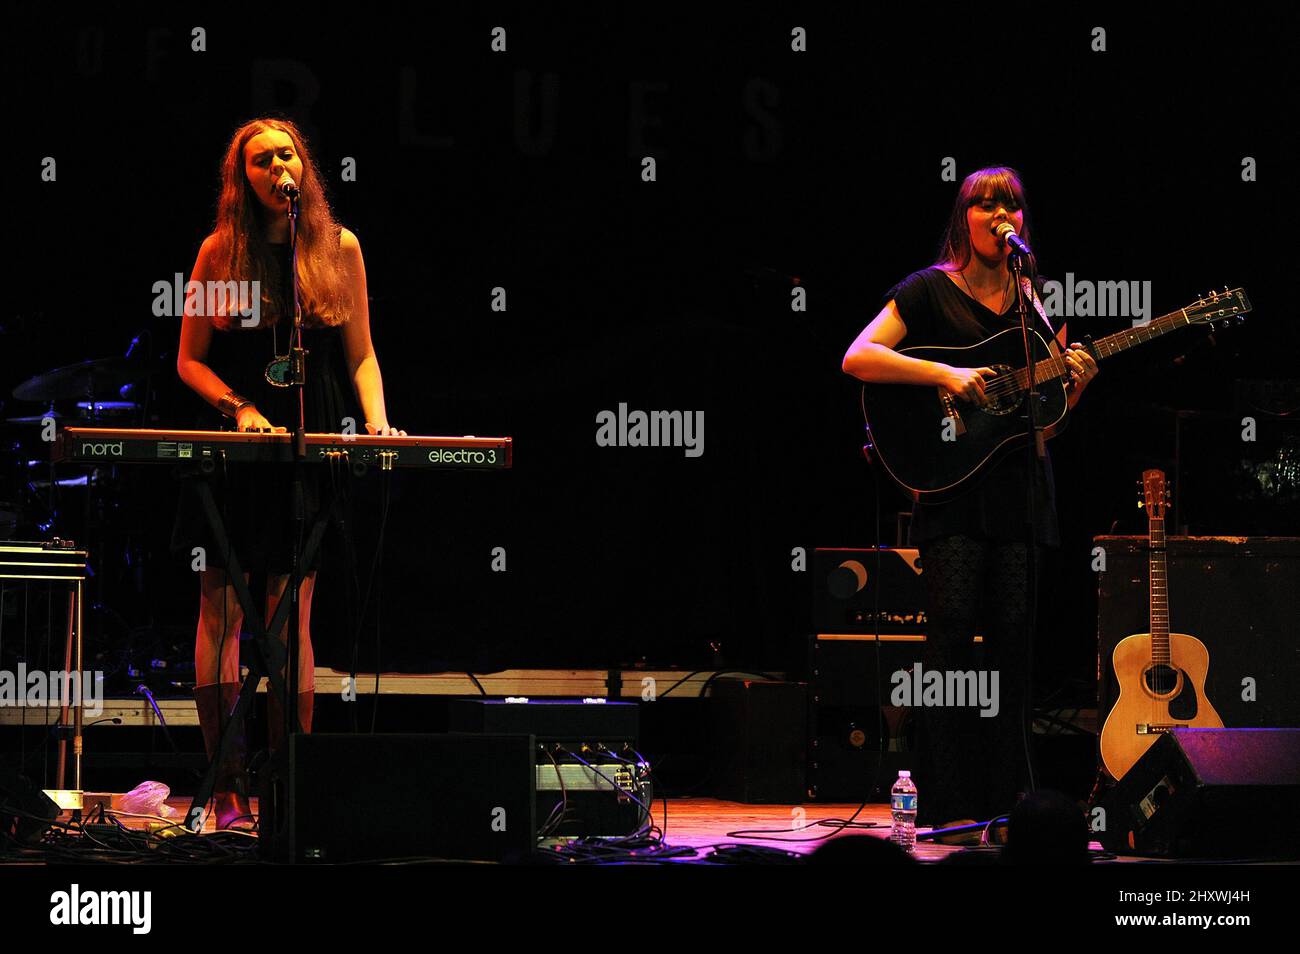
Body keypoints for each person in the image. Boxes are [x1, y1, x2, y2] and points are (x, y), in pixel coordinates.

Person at [841, 166, 1098, 825]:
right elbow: (858, 357)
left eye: (1007, 205)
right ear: (965, 220)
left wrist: (1077, 382)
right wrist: (945, 373)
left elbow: (1047, 410)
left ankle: (1007, 804)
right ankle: (946, 802)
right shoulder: (928, 291)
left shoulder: (1029, 302)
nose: (996, 215)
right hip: (952, 489)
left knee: (1015, 642)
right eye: (983, 204)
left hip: (1016, 492)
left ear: (1020, 223)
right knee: (951, 637)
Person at [172, 117, 405, 829]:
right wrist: (238, 407)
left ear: (305, 167)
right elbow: (190, 359)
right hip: (238, 450)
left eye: (289, 155)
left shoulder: (340, 249)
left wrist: (377, 421)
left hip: (311, 443)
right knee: (224, 608)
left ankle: (289, 789)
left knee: (292, 613)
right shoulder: (221, 251)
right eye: (263, 160)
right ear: (241, 179)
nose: (281, 168)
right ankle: (227, 786)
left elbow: (362, 354)